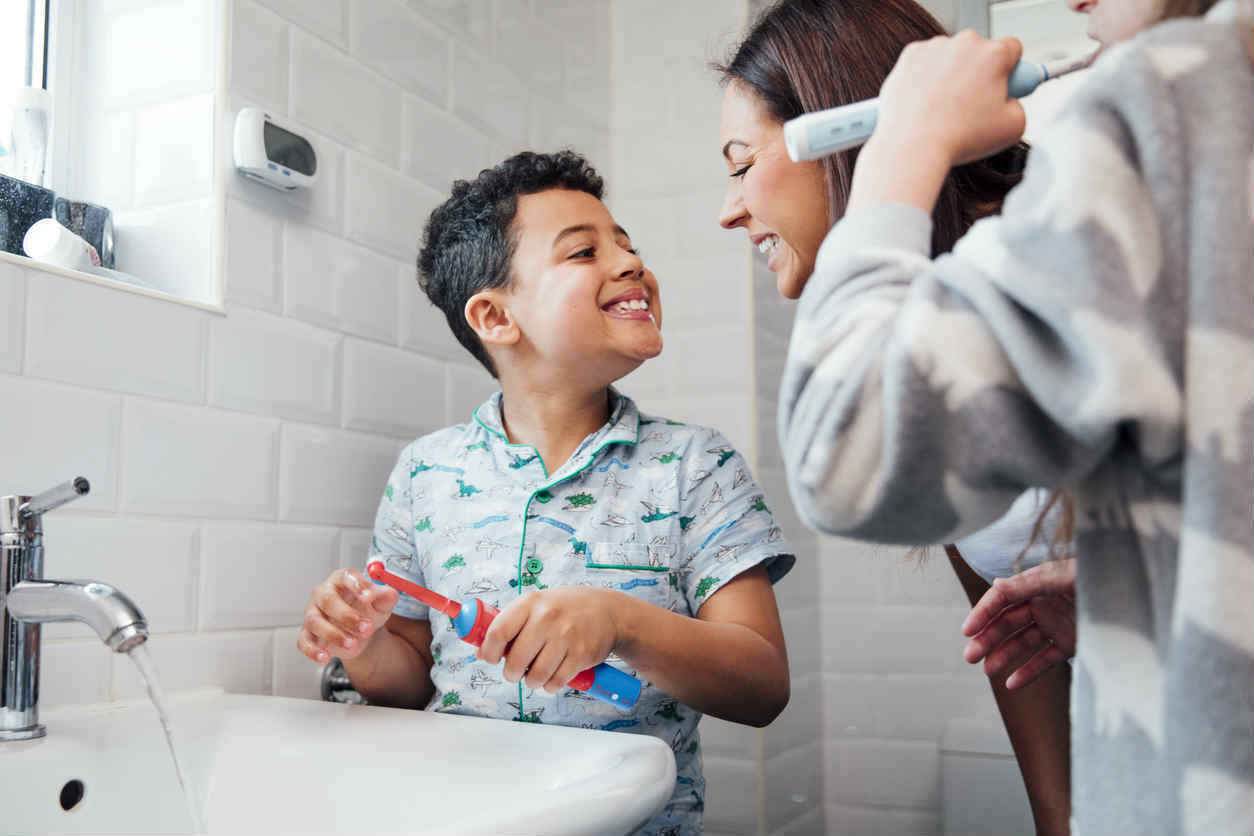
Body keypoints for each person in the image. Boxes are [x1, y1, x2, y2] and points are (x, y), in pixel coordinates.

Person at [776, 0, 1253, 830]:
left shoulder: (1176, 95)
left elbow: (844, 452)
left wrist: (903, 145)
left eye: (741, 163)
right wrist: (1136, 582)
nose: (1077, 1)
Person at [298, 150, 795, 836]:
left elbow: (763, 686)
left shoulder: (695, 467)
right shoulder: (424, 474)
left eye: (627, 244)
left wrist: (619, 621)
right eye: (584, 251)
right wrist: (363, 645)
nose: (628, 263)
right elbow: (410, 680)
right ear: (496, 318)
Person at [716, 1, 1071, 832]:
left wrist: (902, 147)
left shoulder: (1055, 255)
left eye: (741, 164)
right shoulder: (928, 329)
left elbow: (839, 468)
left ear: (847, 131)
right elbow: (1017, 641)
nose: (729, 209)